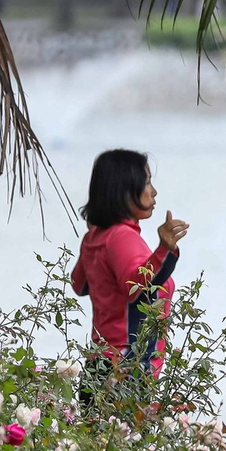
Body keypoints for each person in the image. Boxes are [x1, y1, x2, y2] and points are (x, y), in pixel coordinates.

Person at [71, 149, 190, 387]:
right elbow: (135, 288)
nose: (154, 192)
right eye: (146, 182)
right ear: (124, 191)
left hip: (98, 365)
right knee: (126, 426)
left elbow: (79, 284)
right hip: (124, 368)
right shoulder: (122, 237)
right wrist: (164, 249)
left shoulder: (95, 236)